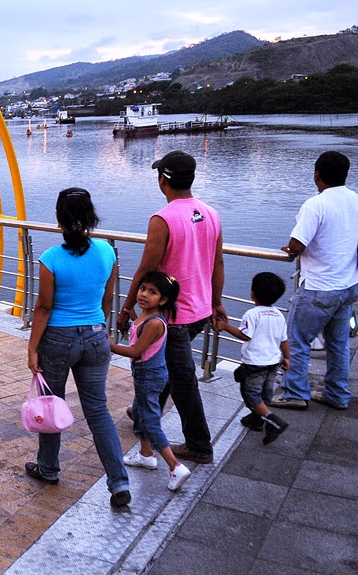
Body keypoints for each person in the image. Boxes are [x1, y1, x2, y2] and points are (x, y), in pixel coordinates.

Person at [25, 188, 131, 508]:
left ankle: (48, 468)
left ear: (59, 220)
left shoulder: (51, 259)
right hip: (96, 337)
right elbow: (108, 298)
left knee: (51, 404)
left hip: (57, 340)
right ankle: (119, 481)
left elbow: (44, 307)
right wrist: (100, 326)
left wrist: (32, 348)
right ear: (91, 217)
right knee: (98, 411)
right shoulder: (107, 252)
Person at [119, 150, 224, 466]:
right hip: (200, 310)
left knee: (181, 379)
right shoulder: (210, 213)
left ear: (162, 180)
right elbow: (218, 263)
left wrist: (126, 308)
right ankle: (142, 414)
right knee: (163, 363)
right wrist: (216, 302)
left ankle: (199, 446)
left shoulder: (162, 219)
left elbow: (146, 270)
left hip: (173, 315)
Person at [271, 151, 358, 411]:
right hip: (347, 286)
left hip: (319, 287)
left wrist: (289, 249)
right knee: (339, 344)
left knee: (297, 341)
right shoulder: (355, 200)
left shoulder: (315, 205)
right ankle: (337, 394)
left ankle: (295, 392)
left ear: (316, 175)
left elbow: (297, 244)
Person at [109, 271, 191, 491]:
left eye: (152, 292)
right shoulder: (146, 317)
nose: (144, 294)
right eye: (142, 289)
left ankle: (175, 466)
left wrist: (108, 345)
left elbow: (135, 351)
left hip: (149, 375)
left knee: (150, 421)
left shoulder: (155, 323)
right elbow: (139, 337)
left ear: (163, 300)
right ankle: (146, 455)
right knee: (139, 413)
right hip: (147, 374)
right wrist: (133, 317)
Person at [216, 272, 291, 443]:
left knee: (251, 394)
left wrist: (225, 326)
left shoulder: (252, 314)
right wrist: (287, 358)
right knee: (265, 391)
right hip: (273, 362)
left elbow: (245, 335)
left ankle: (273, 421)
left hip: (255, 364)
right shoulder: (278, 314)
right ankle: (257, 419)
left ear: (252, 293)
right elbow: (284, 339)